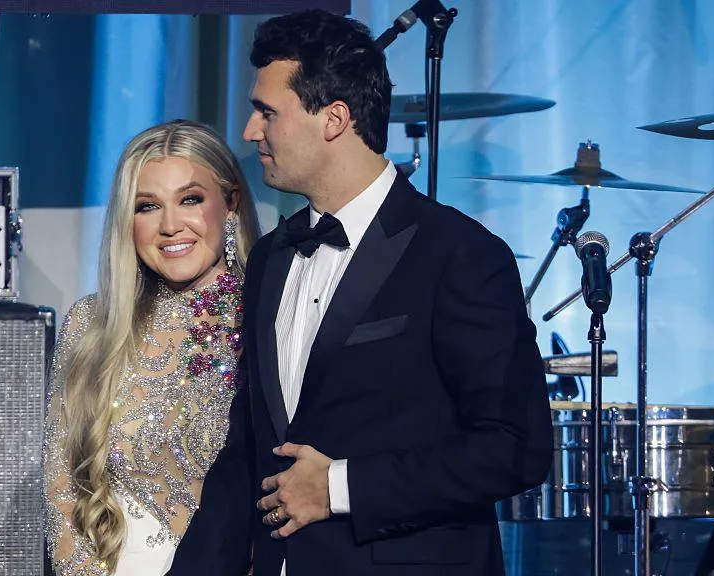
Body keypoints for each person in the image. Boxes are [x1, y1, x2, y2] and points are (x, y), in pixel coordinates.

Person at [167, 10, 553, 576]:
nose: (250, 131)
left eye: (267, 112)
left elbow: (516, 447)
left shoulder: (459, 254)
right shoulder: (271, 257)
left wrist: (339, 486)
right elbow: (248, 453)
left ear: (334, 119)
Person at [44, 119, 261, 575]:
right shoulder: (92, 325)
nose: (170, 226)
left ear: (231, 203)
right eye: (147, 206)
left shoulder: (268, 316)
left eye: (190, 200)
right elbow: (62, 487)